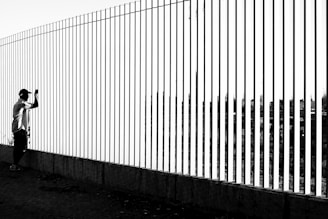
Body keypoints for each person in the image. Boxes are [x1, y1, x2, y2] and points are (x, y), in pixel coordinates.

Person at [10, 89, 38, 171]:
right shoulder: (21, 104)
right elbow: (35, 105)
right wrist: (36, 96)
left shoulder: (18, 103)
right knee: (23, 148)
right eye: (27, 94)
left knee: (17, 147)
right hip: (19, 129)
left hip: (16, 129)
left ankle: (14, 165)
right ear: (23, 95)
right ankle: (14, 165)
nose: (28, 96)